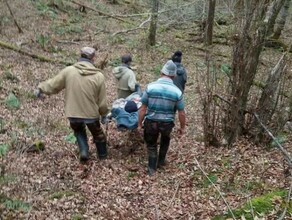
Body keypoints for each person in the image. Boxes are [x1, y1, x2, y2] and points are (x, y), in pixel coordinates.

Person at [34, 46, 109, 162]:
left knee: (79, 131)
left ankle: (84, 152)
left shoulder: (68, 71)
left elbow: (53, 85)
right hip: (91, 114)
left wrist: (41, 88)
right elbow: (102, 102)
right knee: (98, 134)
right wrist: (104, 114)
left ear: (80, 56)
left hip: (73, 113)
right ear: (93, 58)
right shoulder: (99, 76)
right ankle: (103, 157)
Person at [138, 60, 186, 176]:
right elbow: (181, 113)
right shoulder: (177, 92)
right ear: (174, 76)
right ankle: (161, 161)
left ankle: (151, 168)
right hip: (167, 123)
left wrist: (139, 123)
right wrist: (182, 127)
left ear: (161, 72)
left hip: (151, 122)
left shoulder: (150, 87)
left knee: (151, 144)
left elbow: (143, 108)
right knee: (165, 139)